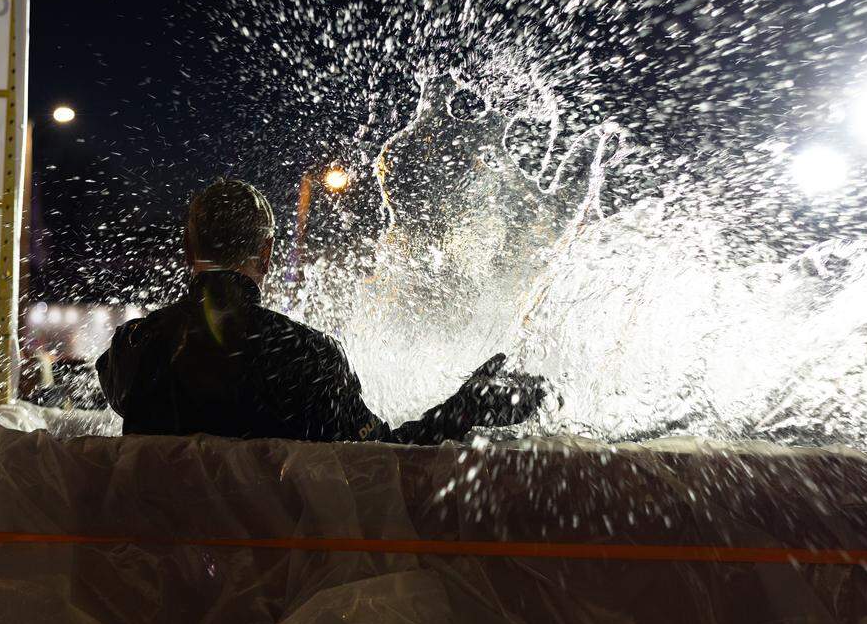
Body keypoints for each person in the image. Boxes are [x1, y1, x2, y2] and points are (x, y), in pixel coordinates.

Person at [96, 178, 544, 443]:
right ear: (267, 253)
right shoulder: (305, 356)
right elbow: (384, 462)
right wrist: (468, 408)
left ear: (187, 250)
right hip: (283, 586)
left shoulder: (129, 353)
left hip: (157, 571)